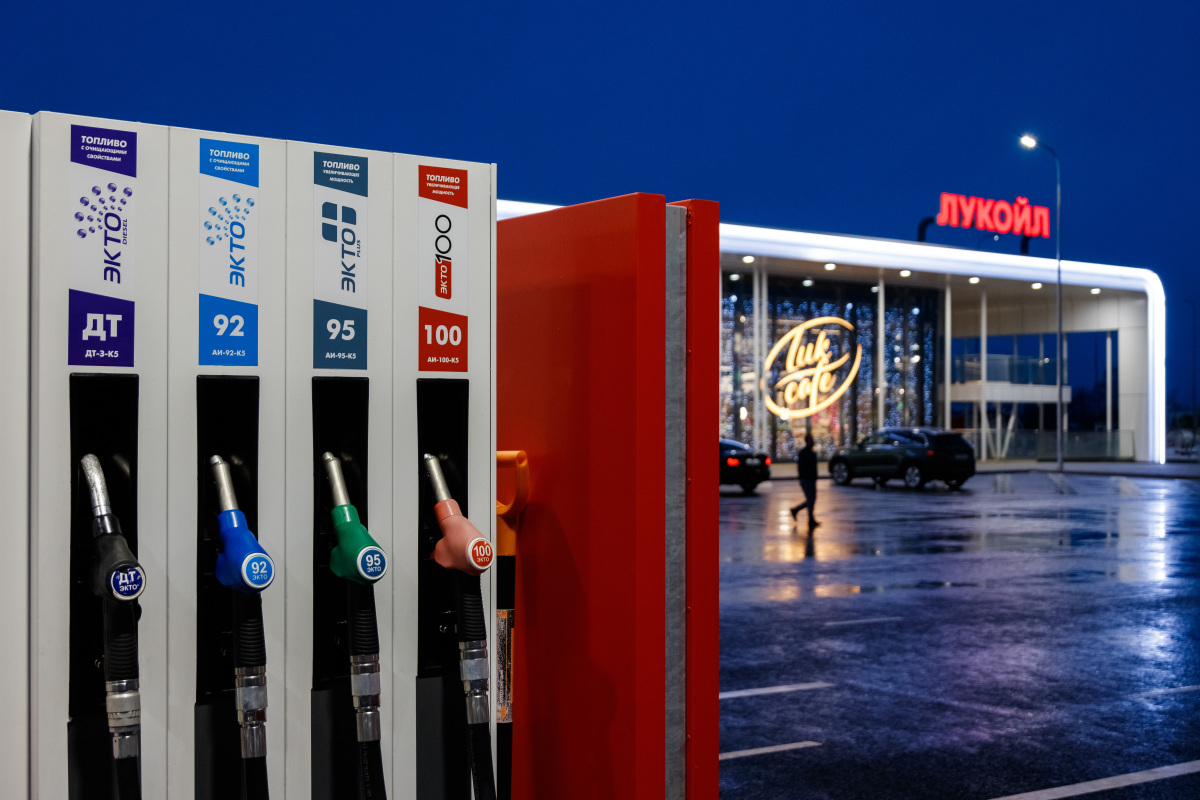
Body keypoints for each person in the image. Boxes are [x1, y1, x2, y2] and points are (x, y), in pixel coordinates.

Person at [789, 433, 820, 527]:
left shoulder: (808, 453)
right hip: (807, 479)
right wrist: (806, 477)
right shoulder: (806, 453)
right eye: (811, 440)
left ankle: (796, 511)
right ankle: (810, 519)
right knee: (811, 500)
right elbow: (803, 467)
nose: (812, 441)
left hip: (809, 479)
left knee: (811, 500)